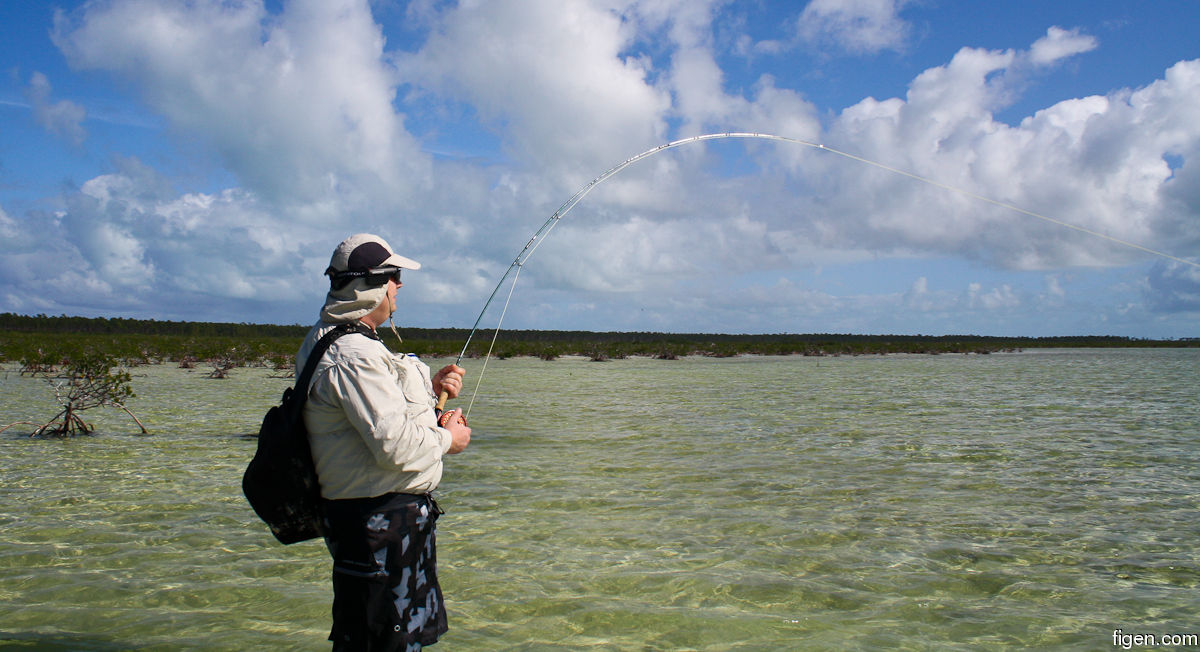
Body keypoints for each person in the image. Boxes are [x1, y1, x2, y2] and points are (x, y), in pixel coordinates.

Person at [296, 233, 471, 650]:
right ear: (370, 285)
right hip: (377, 526)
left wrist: (431, 389)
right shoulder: (353, 354)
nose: (399, 286)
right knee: (381, 642)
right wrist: (449, 438)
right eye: (393, 276)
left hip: (388, 523)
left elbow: (375, 420)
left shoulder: (342, 340)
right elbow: (394, 447)